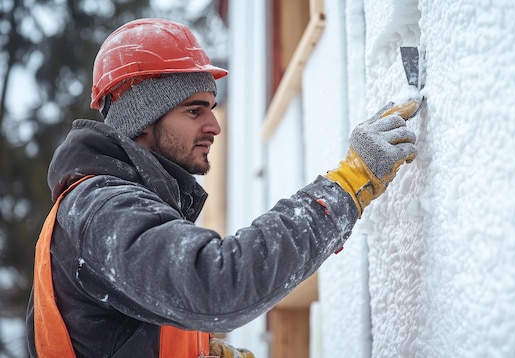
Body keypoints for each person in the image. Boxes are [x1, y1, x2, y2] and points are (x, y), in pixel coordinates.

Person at [25, 18, 418, 357]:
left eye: (211, 109)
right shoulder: (103, 209)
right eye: (194, 110)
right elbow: (217, 285)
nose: (213, 126)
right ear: (141, 120)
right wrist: (346, 186)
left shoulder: (113, 206)